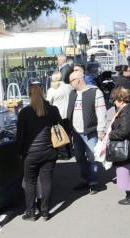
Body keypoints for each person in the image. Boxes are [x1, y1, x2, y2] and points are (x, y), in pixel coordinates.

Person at [17, 84, 63, 221]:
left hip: (31, 154)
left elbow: (21, 136)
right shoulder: (52, 109)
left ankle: (31, 212)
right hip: (49, 151)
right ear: (42, 94)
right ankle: (45, 212)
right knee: (46, 181)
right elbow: (60, 127)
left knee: (30, 182)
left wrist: (20, 152)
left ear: (29, 96)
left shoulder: (24, 113)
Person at [67, 71, 107, 195]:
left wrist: (101, 130)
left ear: (78, 80)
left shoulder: (95, 92)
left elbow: (101, 113)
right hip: (76, 133)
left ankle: (93, 183)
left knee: (92, 158)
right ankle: (85, 180)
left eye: (71, 81)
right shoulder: (72, 93)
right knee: (79, 158)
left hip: (90, 132)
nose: (70, 84)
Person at [46, 71, 74, 160]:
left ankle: (63, 153)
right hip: (69, 113)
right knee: (68, 133)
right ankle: (70, 151)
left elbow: (48, 102)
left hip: (58, 114)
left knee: (59, 134)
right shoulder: (69, 87)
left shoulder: (52, 90)